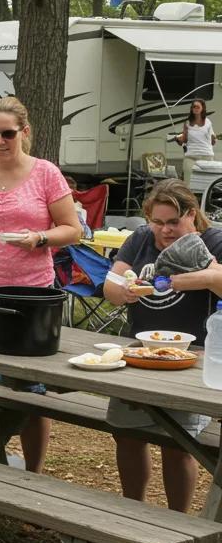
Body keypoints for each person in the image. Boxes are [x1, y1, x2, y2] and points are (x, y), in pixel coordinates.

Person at [0, 96, 82, 473]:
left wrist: (39, 238)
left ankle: (33, 472)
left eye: (7, 133)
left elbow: (72, 230)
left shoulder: (45, 173)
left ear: (24, 132)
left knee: (30, 387)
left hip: (32, 295)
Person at [103, 180, 222, 511]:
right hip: (139, 353)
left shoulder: (213, 241)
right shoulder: (140, 238)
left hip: (191, 358)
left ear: (192, 215)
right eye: (158, 222)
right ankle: (133, 511)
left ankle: (178, 522)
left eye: (173, 222)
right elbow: (111, 285)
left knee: (179, 445)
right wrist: (124, 291)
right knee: (126, 435)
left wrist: (174, 281)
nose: (165, 230)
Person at [175, 97, 216, 184]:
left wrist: (214, 139)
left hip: (206, 156)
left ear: (202, 108)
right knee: (188, 183)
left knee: (207, 184)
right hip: (190, 156)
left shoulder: (208, 122)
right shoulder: (187, 123)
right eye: (194, 107)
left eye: (198, 107)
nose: (195, 108)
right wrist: (178, 140)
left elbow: (213, 142)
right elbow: (184, 140)